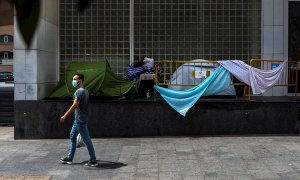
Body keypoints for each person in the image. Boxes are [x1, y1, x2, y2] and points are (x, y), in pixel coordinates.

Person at [60, 73, 98, 167]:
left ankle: (93, 160)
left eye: (75, 79)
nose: (73, 81)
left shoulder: (79, 92)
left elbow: (75, 105)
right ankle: (69, 158)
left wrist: (65, 115)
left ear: (80, 80)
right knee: (72, 136)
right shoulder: (86, 91)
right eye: (73, 79)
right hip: (79, 119)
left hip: (80, 120)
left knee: (87, 140)